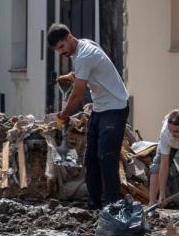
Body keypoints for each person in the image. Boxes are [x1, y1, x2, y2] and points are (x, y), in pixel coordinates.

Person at [47, 23, 129, 210]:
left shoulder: (85, 55)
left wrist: (62, 115)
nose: (60, 52)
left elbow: (76, 96)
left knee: (106, 158)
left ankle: (114, 208)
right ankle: (94, 206)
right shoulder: (83, 47)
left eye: (61, 47)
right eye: (57, 50)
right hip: (100, 108)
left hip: (115, 108)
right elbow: (94, 73)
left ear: (69, 37)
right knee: (91, 160)